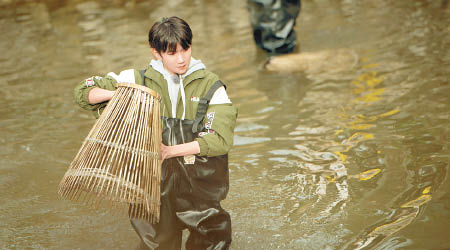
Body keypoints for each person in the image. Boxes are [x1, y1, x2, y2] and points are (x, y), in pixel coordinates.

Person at [74, 16, 237, 250]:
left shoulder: (211, 86)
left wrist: (169, 151)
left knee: (214, 238)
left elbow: (220, 140)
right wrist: (122, 94)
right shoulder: (135, 79)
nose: (181, 59)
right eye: (172, 53)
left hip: (200, 186)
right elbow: (83, 92)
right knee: (156, 243)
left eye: (185, 49)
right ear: (156, 53)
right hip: (151, 186)